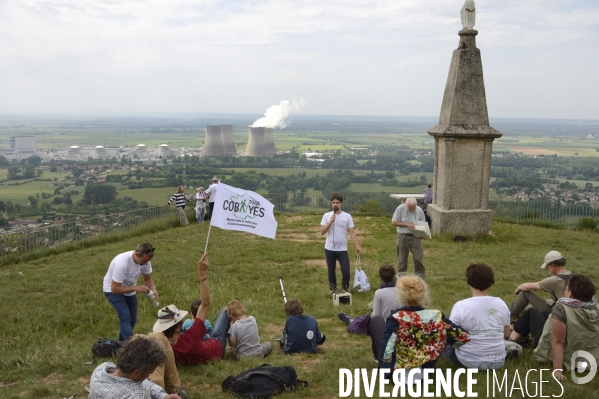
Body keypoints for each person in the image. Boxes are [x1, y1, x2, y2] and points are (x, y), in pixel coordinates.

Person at [509, 274, 599, 380]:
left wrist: (557, 371)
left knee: (531, 313)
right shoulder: (595, 306)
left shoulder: (562, 309)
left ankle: (509, 342)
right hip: (586, 354)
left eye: (566, 289)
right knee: (544, 312)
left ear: (570, 294)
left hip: (561, 352)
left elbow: (558, 342)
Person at [379, 276, 470, 374]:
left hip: (400, 372)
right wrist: (444, 343)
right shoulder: (437, 316)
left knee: (377, 323)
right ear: (423, 293)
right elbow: (464, 336)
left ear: (400, 295)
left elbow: (386, 351)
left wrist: (385, 369)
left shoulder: (396, 318)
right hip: (427, 369)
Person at [156, 253, 230, 365]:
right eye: (179, 320)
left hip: (202, 347)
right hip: (217, 347)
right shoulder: (191, 338)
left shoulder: (166, 348)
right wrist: (202, 274)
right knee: (227, 309)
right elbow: (205, 304)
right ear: (177, 328)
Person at [444, 263, 511, 370]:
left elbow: (450, 336)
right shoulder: (501, 303)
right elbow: (507, 334)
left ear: (469, 282)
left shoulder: (460, 306)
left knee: (446, 346)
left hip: (468, 362)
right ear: (491, 282)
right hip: (498, 362)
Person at [338, 265, 403, 362]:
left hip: (384, 326)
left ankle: (377, 355)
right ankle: (351, 320)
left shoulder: (379, 293)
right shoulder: (402, 290)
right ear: (394, 276)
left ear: (380, 278)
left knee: (366, 321)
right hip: (400, 324)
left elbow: (376, 316)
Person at [89, 336, 181, 399]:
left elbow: (145, 383)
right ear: (136, 372)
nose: (151, 374)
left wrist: (163, 396)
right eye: (150, 372)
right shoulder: (136, 395)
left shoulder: (101, 369)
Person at [103, 243, 159, 342]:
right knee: (125, 316)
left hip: (129, 290)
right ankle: (132, 346)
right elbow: (115, 288)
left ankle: (120, 345)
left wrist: (153, 288)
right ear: (136, 255)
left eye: (148, 261)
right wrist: (136, 288)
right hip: (112, 290)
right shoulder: (122, 263)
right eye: (144, 261)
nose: (146, 264)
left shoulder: (146, 261)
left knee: (132, 320)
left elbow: (148, 278)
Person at [320, 193, 362, 294]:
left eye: (337, 203)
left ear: (341, 203)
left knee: (346, 270)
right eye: (333, 202)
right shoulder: (326, 215)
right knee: (331, 270)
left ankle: (346, 288)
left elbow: (352, 232)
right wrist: (330, 222)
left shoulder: (347, 216)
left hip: (342, 249)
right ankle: (332, 288)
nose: (335, 204)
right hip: (329, 248)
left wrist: (357, 244)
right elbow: (322, 232)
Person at [510, 251, 573, 318]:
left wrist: (518, 288)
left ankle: (511, 313)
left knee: (526, 293)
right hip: (570, 311)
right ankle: (522, 310)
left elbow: (527, 287)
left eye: (547, 266)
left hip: (557, 314)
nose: (547, 269)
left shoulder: (555, 280)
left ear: (552, 264)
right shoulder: (574, 275)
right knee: (549, 301)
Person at [391, 197, 426, 277]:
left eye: (413, 209)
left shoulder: (419, 210)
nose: (411, 210)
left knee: (418, 258)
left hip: (415, 236)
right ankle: (402, 278)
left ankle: (420, 276)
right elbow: (394, 222)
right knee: (402, 259)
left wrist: (422, 233)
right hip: (402, 235)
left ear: (416, 206)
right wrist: (407, 224)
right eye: (409, 208)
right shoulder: (400, 208)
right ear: (406, 205)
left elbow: (422, 224)